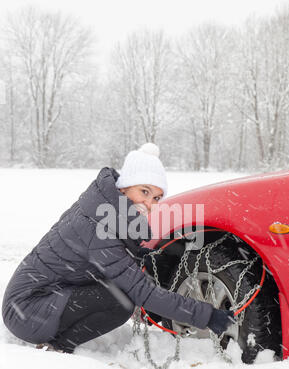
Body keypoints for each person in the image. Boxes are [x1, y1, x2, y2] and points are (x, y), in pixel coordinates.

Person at [1, 143, 233, 354]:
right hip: (26, 311)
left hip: (40, 298)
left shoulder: (102, 208)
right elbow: (143, 293)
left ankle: (59, 341)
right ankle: (60, 347)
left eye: (157, 198)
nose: (150, 204)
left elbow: (108, 260)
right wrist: (207, 315)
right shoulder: (96, 226)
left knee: (119, 292)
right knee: (121, 302)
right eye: (144, 191)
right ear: (123, 188)